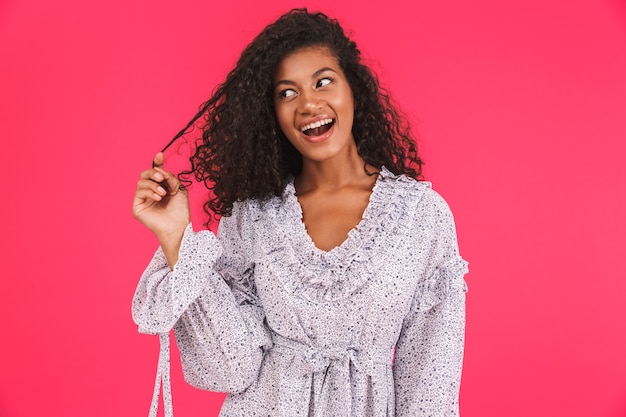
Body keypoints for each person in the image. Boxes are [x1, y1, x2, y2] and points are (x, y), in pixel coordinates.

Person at [132, 8, 468, 417]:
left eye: (323, 82)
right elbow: (229, 371)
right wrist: (175, 238)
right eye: (287, 93)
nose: (309, 103)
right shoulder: (252, 217)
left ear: (354, 89)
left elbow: (430, 382)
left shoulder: (421, 216)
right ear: (270, 114)